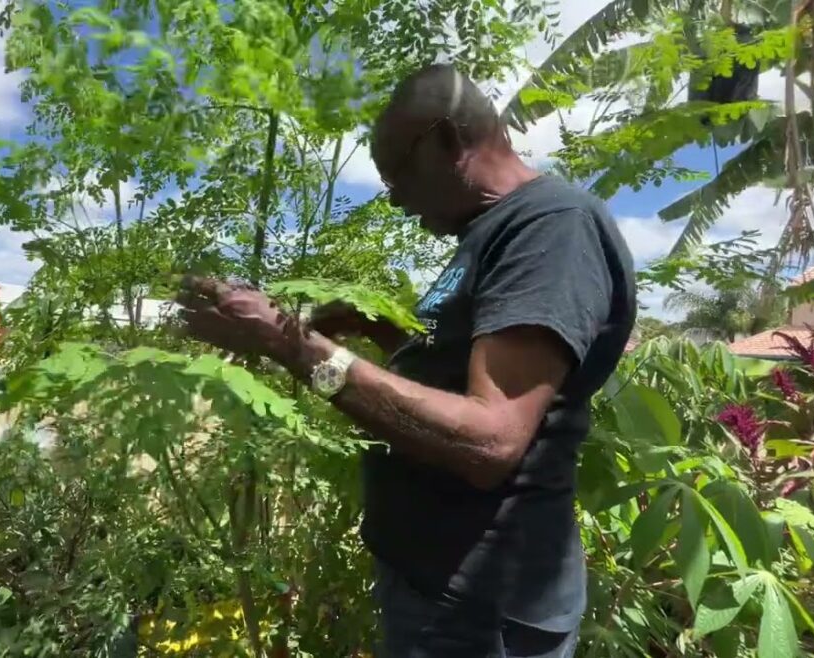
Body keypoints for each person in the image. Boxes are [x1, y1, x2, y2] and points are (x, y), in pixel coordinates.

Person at [174, 63, 636, 657]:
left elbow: (490, 440)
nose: (392, 200)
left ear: (446, 140)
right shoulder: (488, 234)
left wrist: (289, 344)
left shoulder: (550, 227)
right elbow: (458, 369)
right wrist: (379, 329)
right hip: (437, 586)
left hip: (482, 606)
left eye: (396, 175)